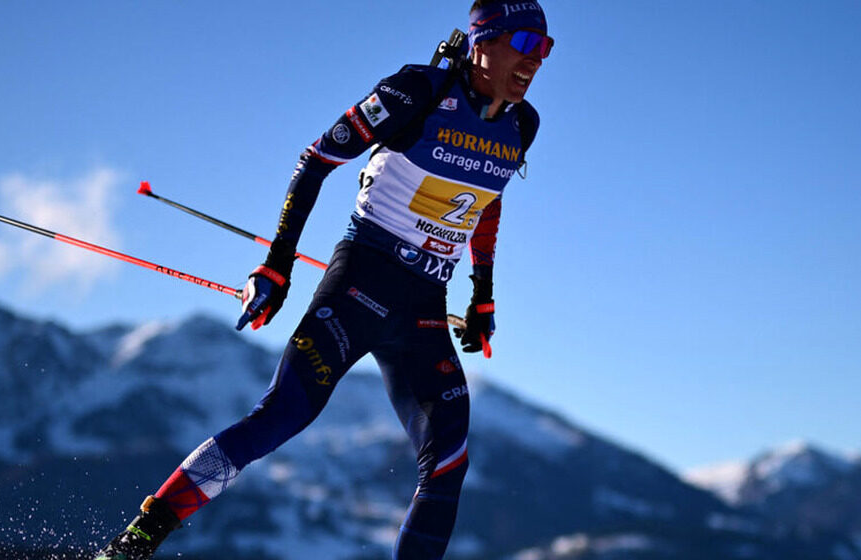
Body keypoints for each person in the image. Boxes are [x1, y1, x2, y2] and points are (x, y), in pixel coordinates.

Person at [94, 1, 551, 558]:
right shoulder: (417, 91)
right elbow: (315, 160)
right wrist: (276, 264)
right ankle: (138, 539)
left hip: (426, 306)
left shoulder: (521, 125)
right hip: (362, 279)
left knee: (449, 462)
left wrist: (482, 295)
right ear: (484, 41)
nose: (536, 60)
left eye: (545, 49)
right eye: (525, 44)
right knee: (282, 415)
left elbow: (488, 204)